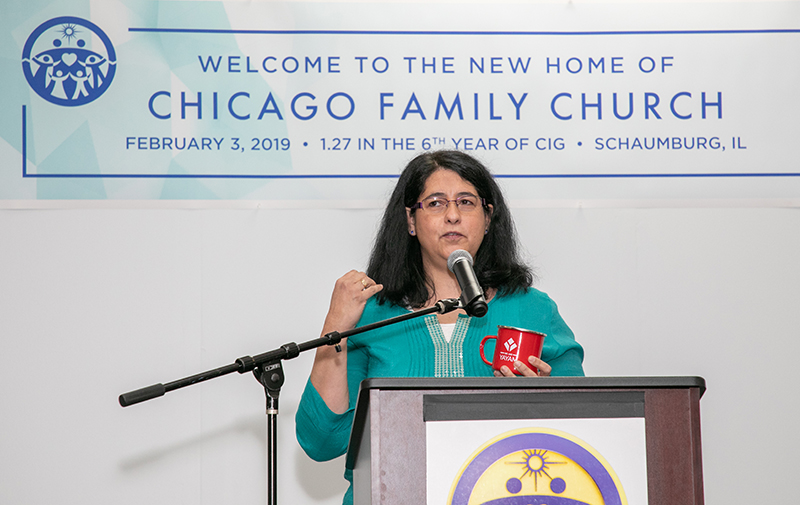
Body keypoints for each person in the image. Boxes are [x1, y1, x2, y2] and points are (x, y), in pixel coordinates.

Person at [295, 150, 584, 504]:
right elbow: (322, 442)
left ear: (488, 216)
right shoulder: (370, 315)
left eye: (466, 202)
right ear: (411, 220)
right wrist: (334, 331)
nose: (452, 215)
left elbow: (581, 427)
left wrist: (542, 400)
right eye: (434, 203)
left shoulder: (532, 308)